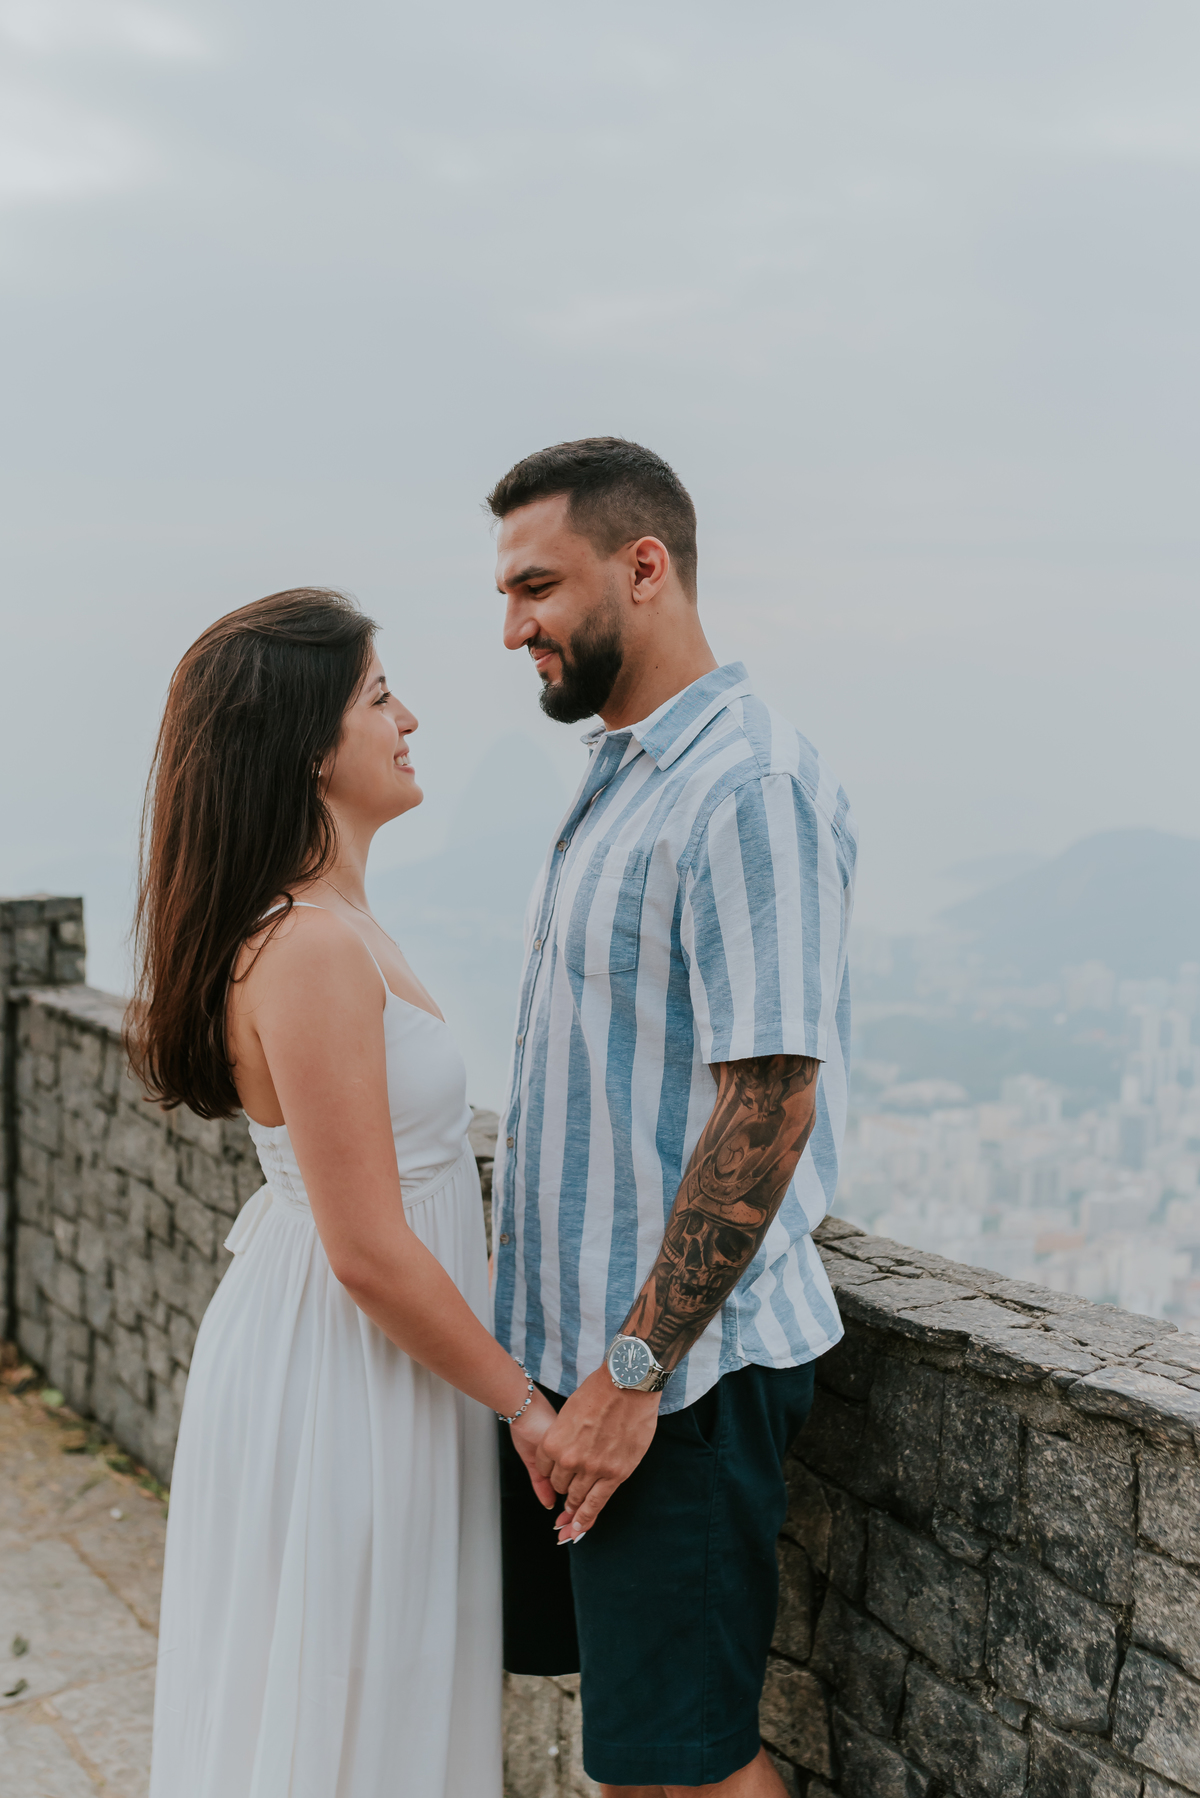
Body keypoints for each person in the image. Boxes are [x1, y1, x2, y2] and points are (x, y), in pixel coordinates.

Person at [131, 588, 557, 1798]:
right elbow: (365, 1244)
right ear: (314, 744)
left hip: (372, 1361)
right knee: (346, 1703)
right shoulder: (311, 945)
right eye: (380, 695)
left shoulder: (333, 922)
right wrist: (526, 1409)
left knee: (362, 1696)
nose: (410, 715)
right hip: (350, 1370)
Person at [488, 440, 858, 1797]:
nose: (513, 625)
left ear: (644, 567)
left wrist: (631, 1380)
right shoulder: (629, 770)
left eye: (537, 585)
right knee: (640, 1751)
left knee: (685, 1771)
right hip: (584, 1363)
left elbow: (772, 1098)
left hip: (676, 1384)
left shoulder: (743, 785)